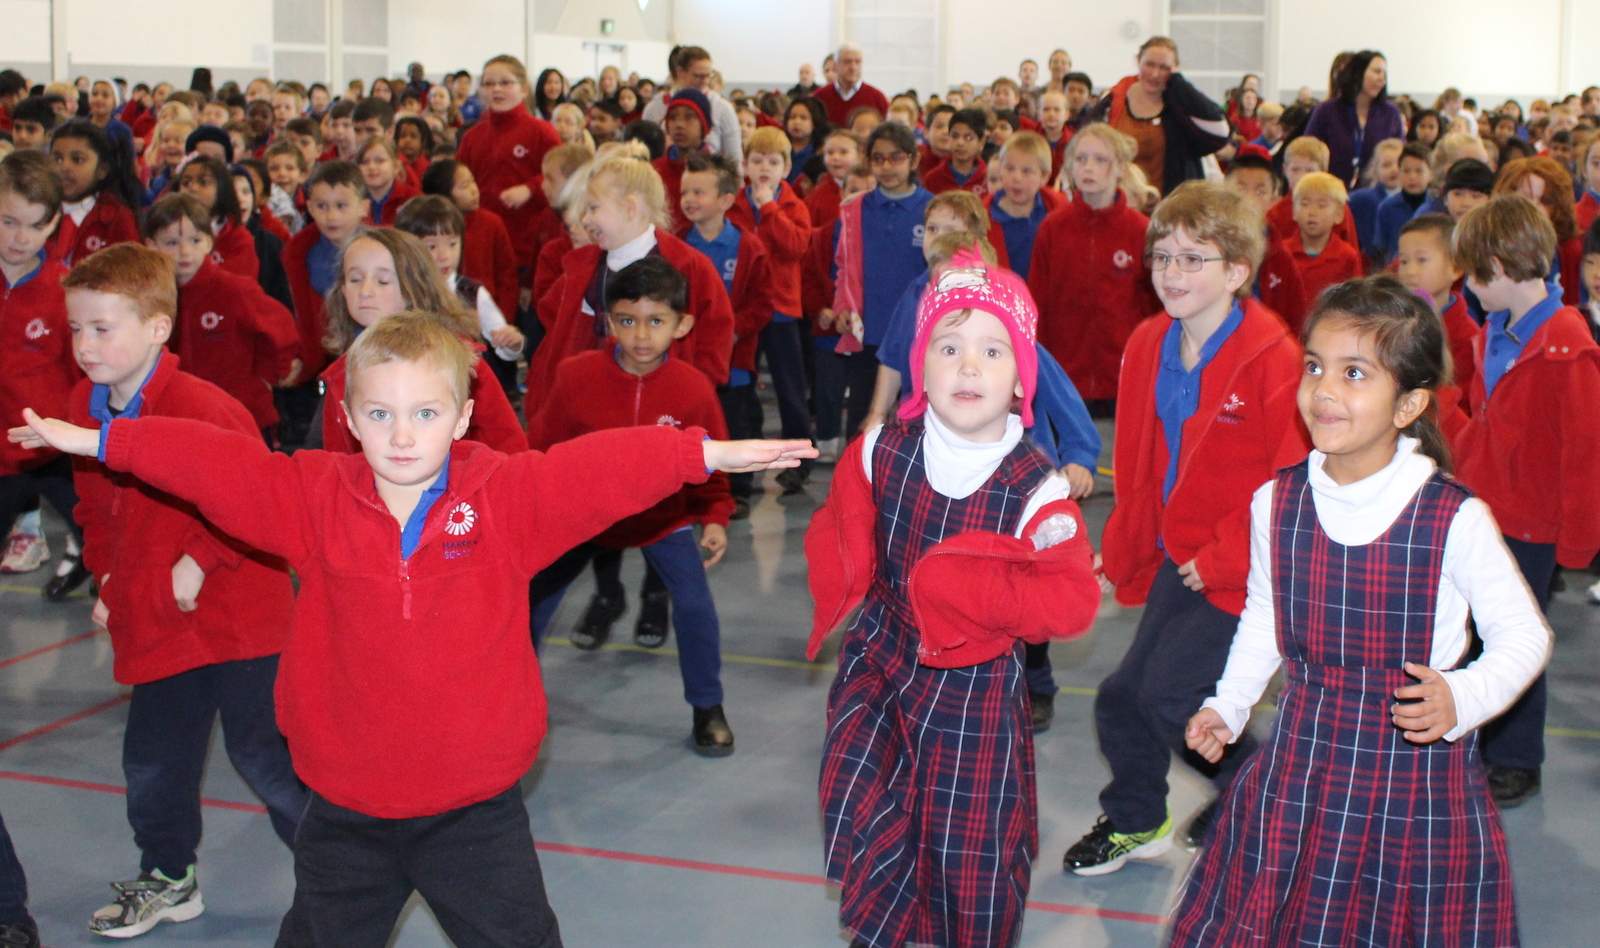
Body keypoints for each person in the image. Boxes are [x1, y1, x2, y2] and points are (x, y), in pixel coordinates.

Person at [8, 312, 815, 948]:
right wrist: (108, 439)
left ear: (461, 416)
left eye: (425, 413)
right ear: (350, 419)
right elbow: (222, 468)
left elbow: (597, 470)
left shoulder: (504, 501)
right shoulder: (313, 499)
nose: (402, 435)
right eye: (381, 414)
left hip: (474, 812)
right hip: (346, 811)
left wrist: (702, 453)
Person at [1171, 275, 1549, 945]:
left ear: (1408, 405)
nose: (1323, 390)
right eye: (1314, 366)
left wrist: (1463, 695)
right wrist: (1229, 705)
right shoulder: (1276, 504)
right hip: (1304, 769)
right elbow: (1266, 616)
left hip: (1413, 782)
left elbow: (1523, 635)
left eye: (1354, 373)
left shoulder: (1452, 519)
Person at [807, 246, 1100, 947]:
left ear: (1022, 380)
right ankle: (886, 932)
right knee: (863, 803)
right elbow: (845, 521)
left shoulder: (1037, 486)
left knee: (969, 855)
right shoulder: (883, 447)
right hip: (881, 657)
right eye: (949, 346)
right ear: (920, 363)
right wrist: (842, 582)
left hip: (970, 689)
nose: (969, 366)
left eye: (993, 350)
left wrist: (976, 589)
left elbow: (1072, 603)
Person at [17, 244, 304, 937]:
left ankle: (343, 873)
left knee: (266, 757)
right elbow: (94, 507)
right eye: (76, 329)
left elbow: (257, 497)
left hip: (240, 623)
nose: (85, 346)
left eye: (103, 328)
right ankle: (169, 877)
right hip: (161, 626)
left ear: (156, 328)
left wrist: (201, 559)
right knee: (152, 760)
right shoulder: (81, 411)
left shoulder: (202, 406)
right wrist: (110, 573)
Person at [1066, 181, 1308, 875]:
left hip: (1245, 568)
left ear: (1236, 270)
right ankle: (1139, 821)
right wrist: (1123, 548)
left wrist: (1228, 555)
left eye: (1193, 259)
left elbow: (1289, 484)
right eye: (1162, 256)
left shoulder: (1273, 357)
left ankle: (1271, 803)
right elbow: (1142, 464)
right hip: (1180, 558)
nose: (1171, 273)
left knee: (1172, 695)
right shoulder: (1148, 343)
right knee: (1121, 697)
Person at [528, 257, 737, 752]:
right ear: (609, 321)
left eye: (656, 321)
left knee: (695, 607)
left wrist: (716, 517)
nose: (641, 335)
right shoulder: (575, 376)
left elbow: (714, 462)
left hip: (659, 521)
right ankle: (510, 703)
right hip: (580, 520)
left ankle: (707, 707)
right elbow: (538, 451)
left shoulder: (693, 389)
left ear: (681, 324)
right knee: (529, 608)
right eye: (627, 320)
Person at [1450, 194, 1600, 806]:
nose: (1468, 286)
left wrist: (1578, 540)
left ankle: (1516, 757)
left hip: (1531, 524)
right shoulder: (1496, 331)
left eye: (1472, 273)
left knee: (1514, 637)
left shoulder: (1567, 344)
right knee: (1477, 633)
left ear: (1499, 266)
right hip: (1487, 510)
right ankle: (1482, 739)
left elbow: (1584, 450)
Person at [532, 154, 734, 399]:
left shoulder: (688, 266)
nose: (585, 220)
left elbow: (716, 334)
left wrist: (694, 391)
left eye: (593, 208)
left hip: (664, 402)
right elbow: (559, 334)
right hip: (596, 400)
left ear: (630, 208)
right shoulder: (583, 269)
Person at [317, 227, 526, 455]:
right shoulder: (340, 374)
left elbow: (508, 446)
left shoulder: (463, 362)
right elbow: (337, 462)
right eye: (355, 279)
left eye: (383, 281)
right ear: (343, 289)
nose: (365, 291)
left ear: (414, 288)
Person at [142, 194, 299, 438]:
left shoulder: (233, 289)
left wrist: (270, 375)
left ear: (209, 242)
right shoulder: (150, 298)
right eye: (171, 243)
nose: (184, 251)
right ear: (151, 246)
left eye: (195, 240)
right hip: (180, 420)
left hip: (241, 418)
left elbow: (282, 328)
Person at [1028, 123, 1158, 410]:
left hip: (1124, 380)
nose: (1089, 167)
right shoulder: (1052, 229)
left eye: (1100, 160)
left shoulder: (1141, 230)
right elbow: (1037, 305)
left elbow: (1155, 309)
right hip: (1064, 380)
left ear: (1120, 168)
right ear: (1070, 167)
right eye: (1081, 159)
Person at [0, 152, 83, 590]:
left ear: (53, 224)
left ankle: (88, 559)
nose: (20, 238)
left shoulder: (62, 289)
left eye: (35, 226)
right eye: (8, 221)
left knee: (90, 522)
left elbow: (81, 367)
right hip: (2, 454)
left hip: (48, 443)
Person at [825, 123, 933, 444]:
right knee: (862, 416)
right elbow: (843, 267)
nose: (886, 167)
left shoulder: (933, 208)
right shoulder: (854, 209)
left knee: (916, 421)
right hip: (869, 333)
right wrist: (843, 306)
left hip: (919, 333)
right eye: (878, 159)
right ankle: (856, 486)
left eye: (896, 158)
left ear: (914, 160)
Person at [678, 153, 772, 515]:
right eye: (686, 191)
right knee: (692, 422)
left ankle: (739, 489)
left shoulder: (748, 247)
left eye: (699, 192)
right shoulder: (677, 244)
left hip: (734, 360)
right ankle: (694, 487)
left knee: (735, 423)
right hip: (690, 358)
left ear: (726, 200)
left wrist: (733, 331)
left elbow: (762, 304)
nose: (689, 199)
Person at [726, 127, 814, 489]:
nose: (765, 167)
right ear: (745, 164)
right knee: (742, 385)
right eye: (757, 160)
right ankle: (749, 455)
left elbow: (796, 246)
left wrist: (769, 207)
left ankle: (798, 463)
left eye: (773, 161)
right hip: (747, 310)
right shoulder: (733, 204)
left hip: (781, 311)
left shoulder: (793, 205)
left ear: (787, 166)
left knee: (790, 388)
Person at [394, 195, 526, 398]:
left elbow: (503, 347)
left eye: (452, 244)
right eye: (431, 247)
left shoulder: (471, 293)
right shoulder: (398, 293)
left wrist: (512, 343)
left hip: (465, 393)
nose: (444, 255)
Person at [455, 55, 561, 278]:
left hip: (527, 244)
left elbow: (560, 177)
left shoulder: (542, 132)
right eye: (488, 83)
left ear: (523, 89)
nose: (496, 90)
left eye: (505, 83)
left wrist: (530, 189)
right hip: (481, 244)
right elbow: (457, 180)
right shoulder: (472, 137)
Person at [1082, 37, 1229, 195]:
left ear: (1175, 69)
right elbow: (1085, 141)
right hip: (1119, 202)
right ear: (1138, 61)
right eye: (1149, 64)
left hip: (1170, 206)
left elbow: (1220, 130)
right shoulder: (1114, 99)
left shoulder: (1181, 105)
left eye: (1164, 67)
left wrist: (1179, 82)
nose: (1154, 74)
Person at [281, 160, 367, 382]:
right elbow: (301, 315)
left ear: (363, 207)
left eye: (341, 206)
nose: (331, 216)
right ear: (309, 207)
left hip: (370, 352)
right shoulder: (300, 252)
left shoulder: (383, 249)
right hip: (326, 356)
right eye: (322, 206)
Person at [1395, 213, 1478, 403]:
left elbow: (1464, 404)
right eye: (1404, 261)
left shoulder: (1466, 337)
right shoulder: (1392, 320)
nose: (1409, 271)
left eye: (1422, 260)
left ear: (1455, 268)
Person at [45, 118, 141, 265]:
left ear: (102, 170)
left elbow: (131, 273)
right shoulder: (38, 208)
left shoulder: (116, 218)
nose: (64, 167)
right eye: (57, 158)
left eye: (77, 159)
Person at [1304, 51, 1404, 188]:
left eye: (1384, 74)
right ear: (1358, 72)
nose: (1382, 79)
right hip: (1331, 190)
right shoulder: (1327, 110)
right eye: (1376, 71)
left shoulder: (1390, 114)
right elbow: (1309, 151)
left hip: (1375, 194)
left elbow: (1399, 154)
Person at [1286, 171, 1364, 327]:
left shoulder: (1347, 256)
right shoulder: (1282, 254)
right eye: (1304, 204)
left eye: (1322, 205)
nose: (1312, 212)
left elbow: (1356, 303)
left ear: (1339, 214)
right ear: (1294, 211)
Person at [984, 131, 1065, 278]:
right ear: (1000, 169)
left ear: (1045, 176)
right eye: (1009, 169)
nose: (1016, 178)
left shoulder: (1057, 209)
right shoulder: (981, 216)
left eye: (1026, 171)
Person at [1373, 141, 1433, 264]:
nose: (1412, 177)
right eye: (1406, 171)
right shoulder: (1386, 208)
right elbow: (1380, 249)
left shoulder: (1437, 206)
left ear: (1431, 174)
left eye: (1419, 171)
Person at [811, 43, 890, 129]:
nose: (853, 67)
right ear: (835, 65)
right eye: (847, 62)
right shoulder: (819, 97)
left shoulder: (877, 98)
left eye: (858, 62)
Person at [922, 108, 987, 197]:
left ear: (981, 142)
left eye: (968, 137)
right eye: (955, 136)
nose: (960, 143)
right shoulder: (932, 179)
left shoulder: (988, 179)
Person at [355, 136, 417, 227]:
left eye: (380, 161)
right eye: (365, 162)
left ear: (396, 166)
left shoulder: (412, 199)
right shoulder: (353, 200)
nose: (371, 167)